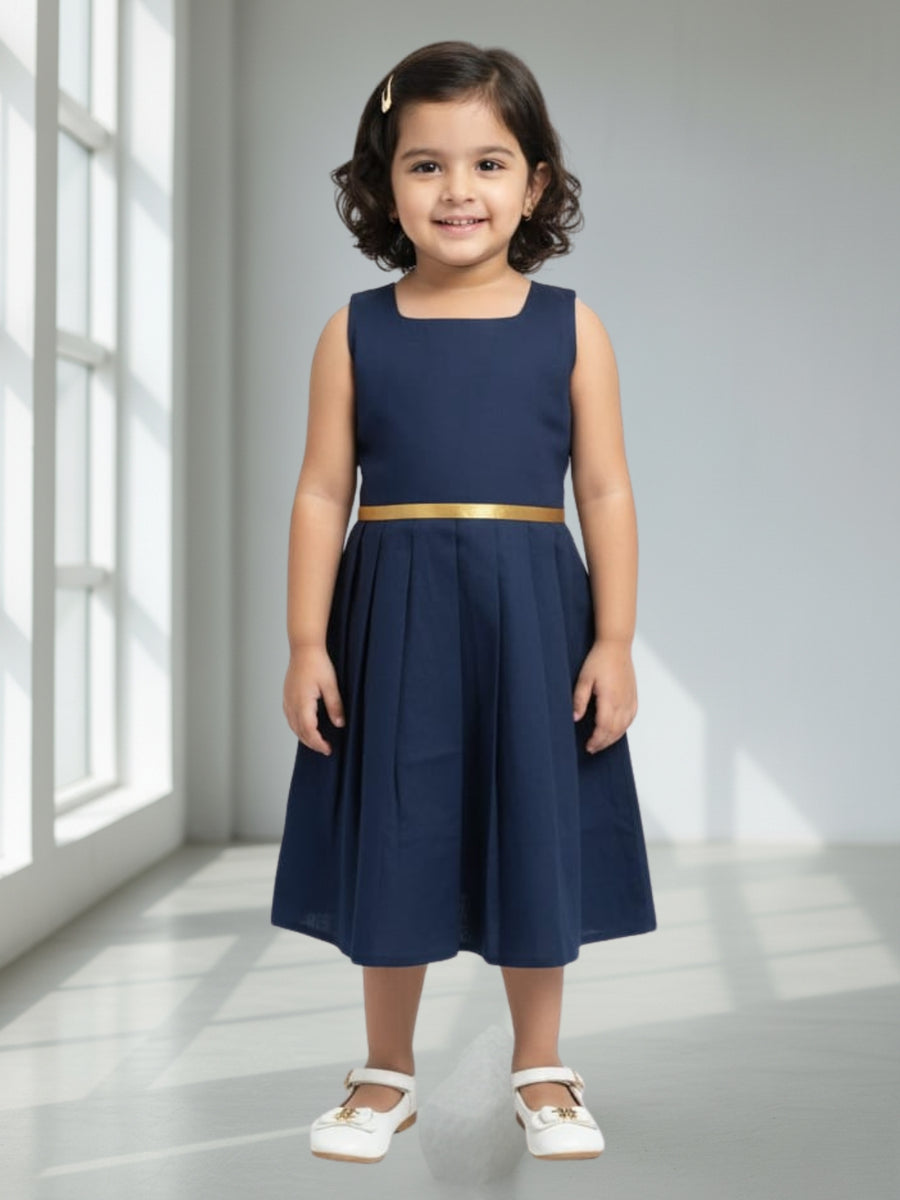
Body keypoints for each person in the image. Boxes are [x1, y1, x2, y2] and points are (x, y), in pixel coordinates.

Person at [270, 39, 658, 1164]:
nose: (457, 191)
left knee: (534, 825)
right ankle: (386, 1072)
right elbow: (317, 491)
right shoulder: (354, 329)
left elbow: (607, 489)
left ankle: (542, 1063)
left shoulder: (571, 326)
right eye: (426, 165)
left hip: (534, 614)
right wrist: (306, 641)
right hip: (391, 615)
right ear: (382, 182)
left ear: (535, 183)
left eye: (489, 164)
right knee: (395, 829)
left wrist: (617, 640)